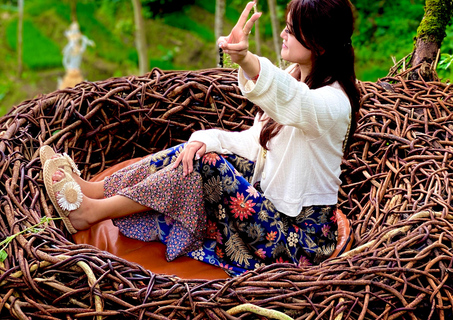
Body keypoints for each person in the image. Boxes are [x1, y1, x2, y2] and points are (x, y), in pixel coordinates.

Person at [41, 0, 360, 276]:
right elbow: (256, 143)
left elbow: (295, 103)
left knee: (206, 165)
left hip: (298, 241)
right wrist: (204, 139)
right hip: (270, 205)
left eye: (292, 30)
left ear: (318, 44)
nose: (282, 34)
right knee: (195, 151)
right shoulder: (297, 76)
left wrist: (246, 59)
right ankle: (96, 190)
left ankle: (92, 213)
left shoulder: (334, 104)